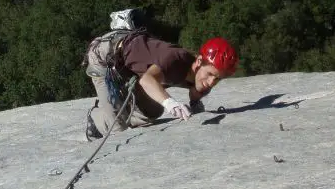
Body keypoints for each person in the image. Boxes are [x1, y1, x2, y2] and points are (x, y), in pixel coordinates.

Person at [84, 25, 238, 140]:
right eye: (210, 74)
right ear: (198, 61)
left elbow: (195, 93)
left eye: (218, 78)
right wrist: (170, 102)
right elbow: (147, 80)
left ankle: (115, 107)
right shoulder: (173, 60)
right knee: (118, 129)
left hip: (127, 65)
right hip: (104, 56)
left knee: (153, 111)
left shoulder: (200, 79)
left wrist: (195, 104)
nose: (211, 82)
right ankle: (96, 118)